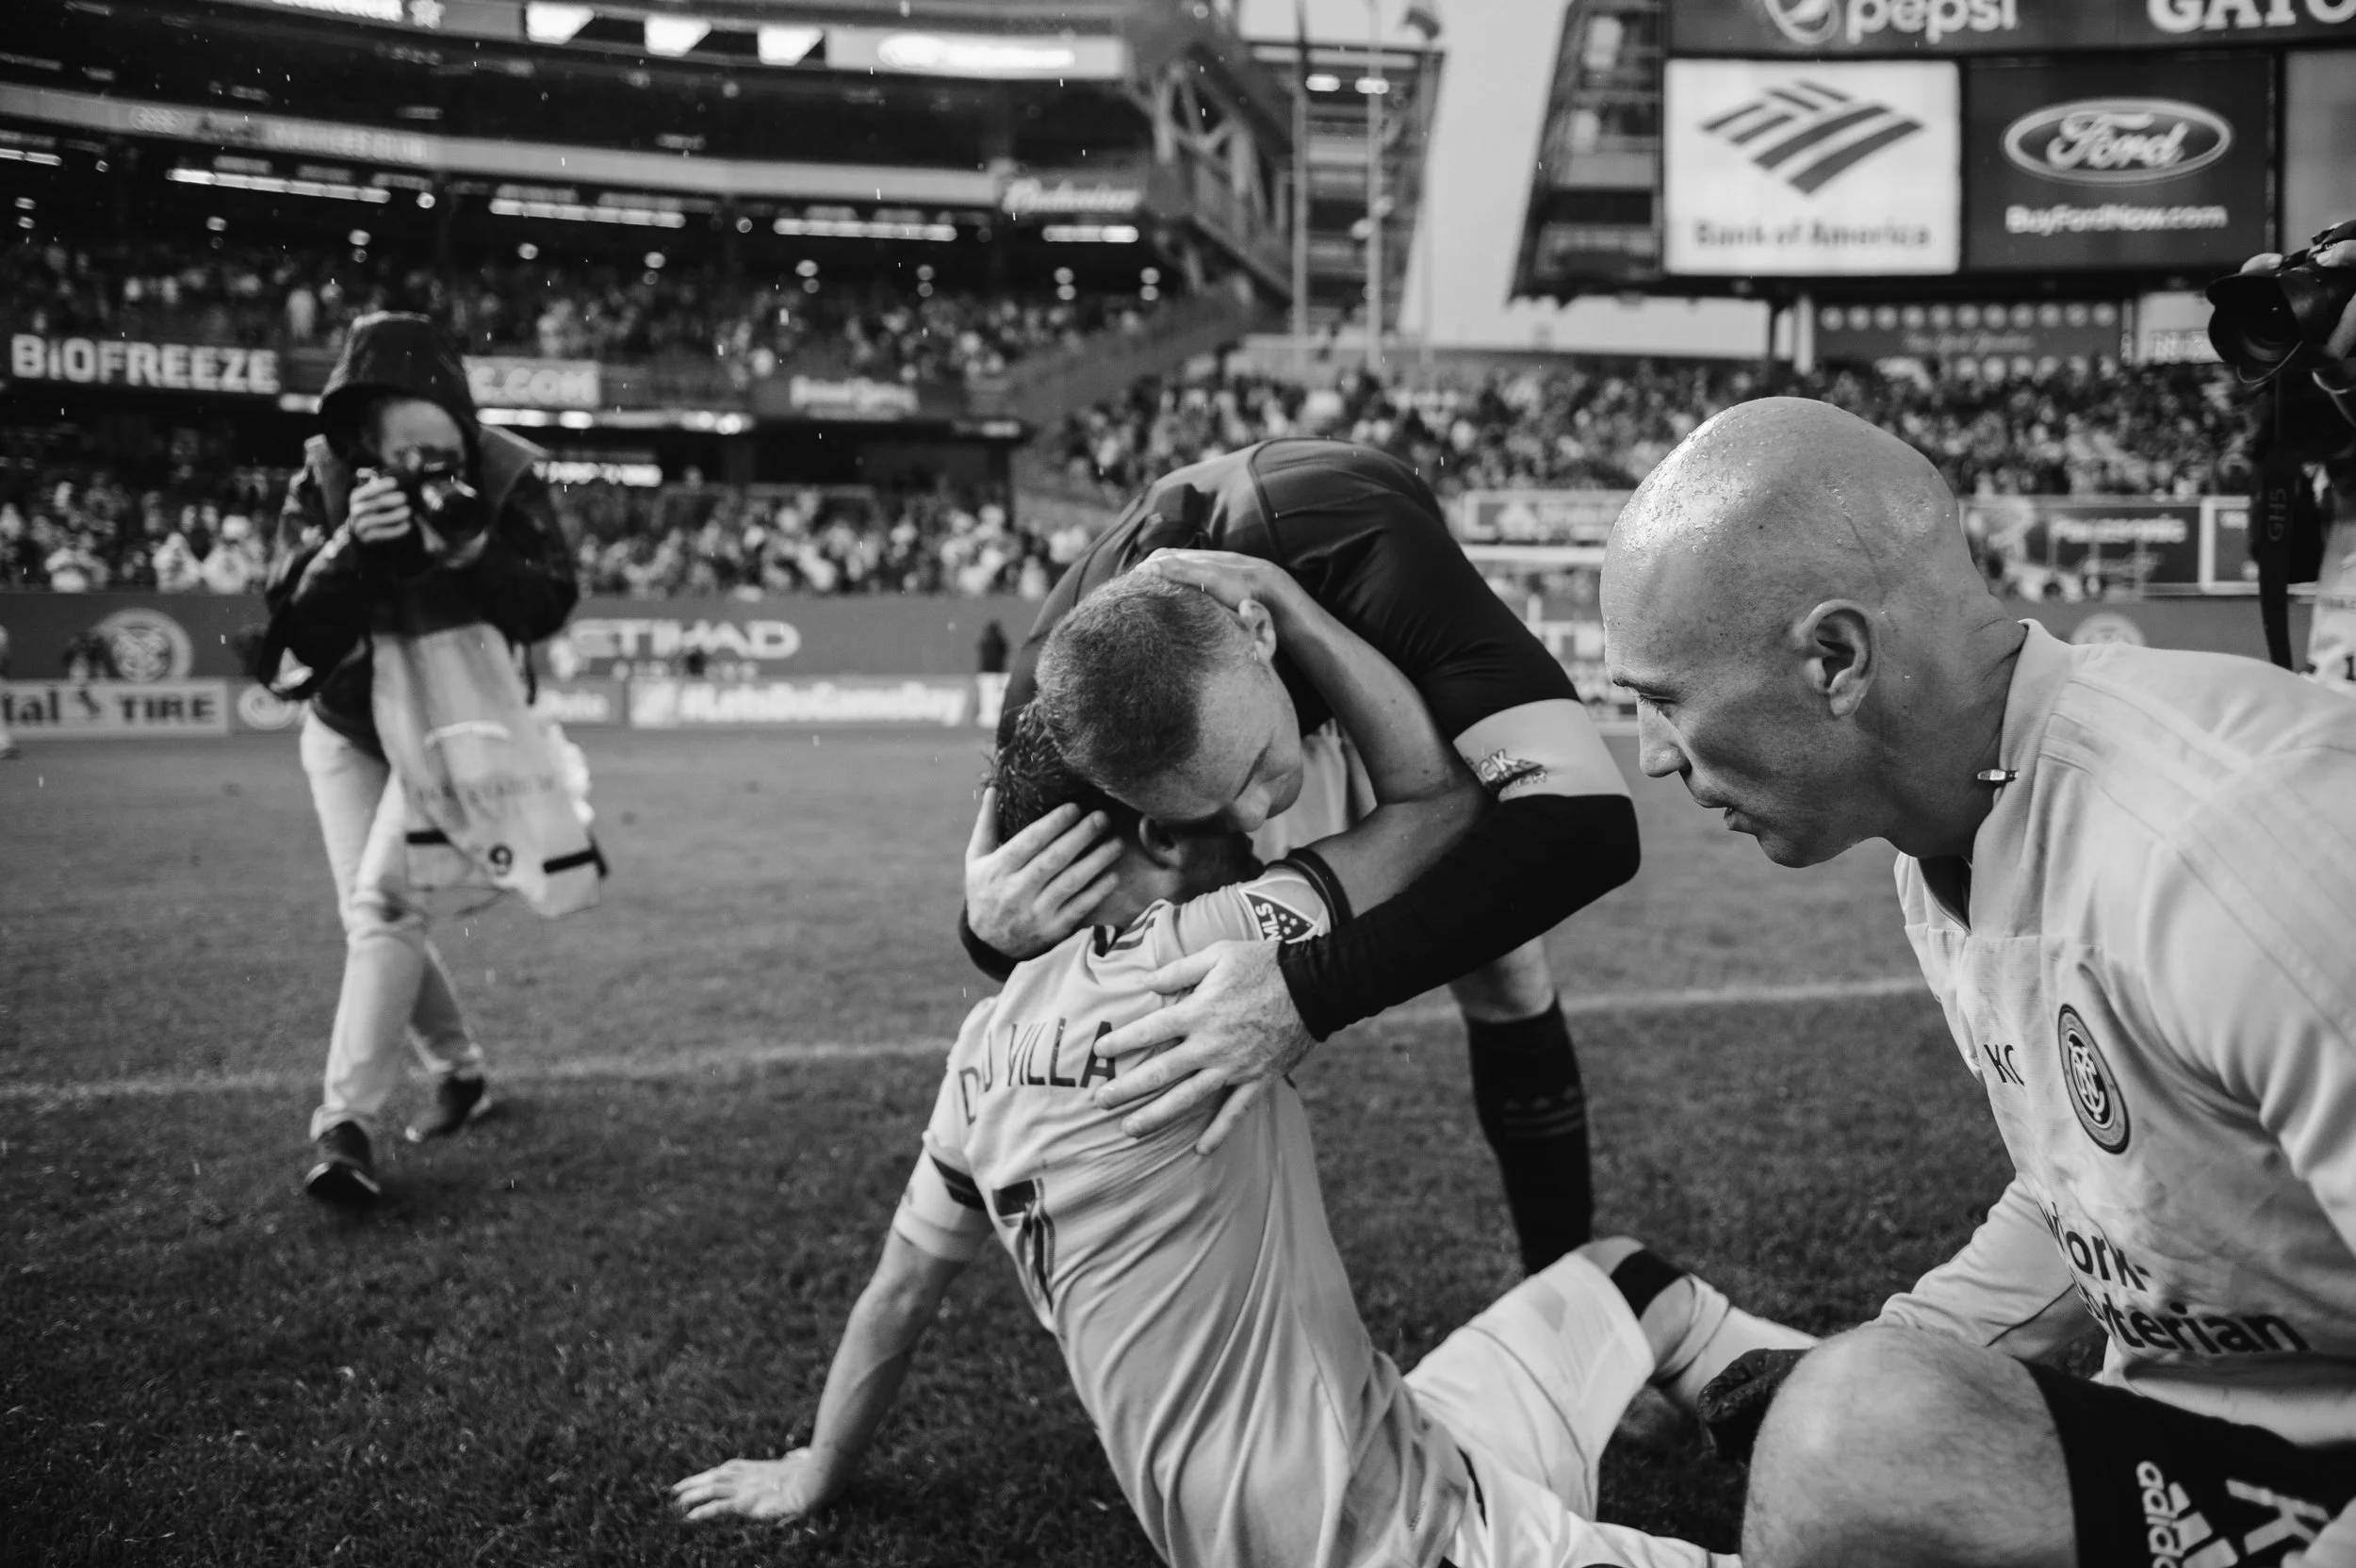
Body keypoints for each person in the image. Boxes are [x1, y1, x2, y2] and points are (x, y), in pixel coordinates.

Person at [676, 575, 1808, 1566]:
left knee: (1619, 1277)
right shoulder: (1192, 948)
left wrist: (815, 1465)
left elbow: (895, 1298)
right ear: (1151, 836)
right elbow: (1443, 802)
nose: (1251, 820)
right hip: (1412, 1542)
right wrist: (1290, 612)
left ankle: (1845, 1407)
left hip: (1411, 1449)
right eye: (1207, 799)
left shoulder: (978, 1057)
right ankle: (1873, 1436)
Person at [1599, 397, 2356, 1568]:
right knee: (1848, 1416)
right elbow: (2104, 1187)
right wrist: (1885, 1350)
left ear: (1835, 659)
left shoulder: (2242, 845)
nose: (1652, 753)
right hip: (2230, 1448)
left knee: (1849, 1439)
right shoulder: (1945, 839)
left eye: (1662, 698)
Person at [963, 439, 1638, 1275]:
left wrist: (1307, 994)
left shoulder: (1354, 531)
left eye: (1254, 772)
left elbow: (1589, 828)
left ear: (1259, 630)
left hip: (1367, 665)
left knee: (1508, 972)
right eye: (1214, 806)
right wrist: (987, 936)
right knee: (1159, 985)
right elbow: (1044, 946)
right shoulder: (1055, 705)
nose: (1255, 817)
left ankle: (1564, 1280)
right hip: (1254, 709)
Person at [262, 312, 578, 1204]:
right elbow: (293, 628)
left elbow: (549, 602)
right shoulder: (323, 480)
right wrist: (348, 549)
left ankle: (345, 1126)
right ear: (365, 440)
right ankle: (460, 1071)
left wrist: (477, 551)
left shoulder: (505, 472)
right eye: (407, 458)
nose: (428, 473)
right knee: (374, 915)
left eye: (443, 455)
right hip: (347, 722)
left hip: (455, 726)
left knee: (384, 907)